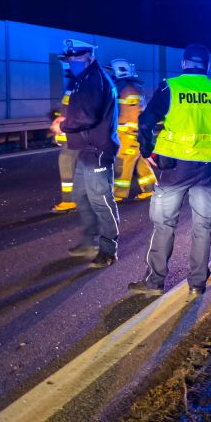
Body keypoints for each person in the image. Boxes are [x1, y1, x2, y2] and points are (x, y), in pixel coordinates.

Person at [129, 44, 211, 300]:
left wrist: (147, 152)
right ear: (207, 66)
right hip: (207, 170)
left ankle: (155, 281)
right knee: (203, 226)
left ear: (184, 64)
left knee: (164, 225)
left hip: (173, 169)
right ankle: (197, 283)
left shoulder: (171, 87)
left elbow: (145, 122)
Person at [57, 39, 121, 267]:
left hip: (97, 151)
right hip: (85, 149)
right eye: (69, 58)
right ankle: (89, 241)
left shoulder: (95, 80)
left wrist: (62, 125)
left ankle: (108, 249)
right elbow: (75, 109)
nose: (71, 62)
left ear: (89, 57)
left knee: (102, 201)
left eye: (76, 58)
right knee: (81, 196)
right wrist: (61, 118)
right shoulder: (82, 80)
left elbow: (86, 116)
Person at [109, 58, 156, 201]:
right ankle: (150, 188)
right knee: (141, 161)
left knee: (122, 163)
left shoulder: (126, 89)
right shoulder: (131, 87)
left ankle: (118, 194)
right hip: (133, 133)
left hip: (128, 134)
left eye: (112, 71)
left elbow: (134, 113)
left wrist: (133, 132)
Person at [50, 57, 79, 213]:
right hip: (73, 133)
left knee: (67, 164)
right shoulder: (75, 84)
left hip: (73, 134)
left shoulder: (76, 84)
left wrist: (61, 125)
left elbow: (72, 112)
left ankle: (69, 201)